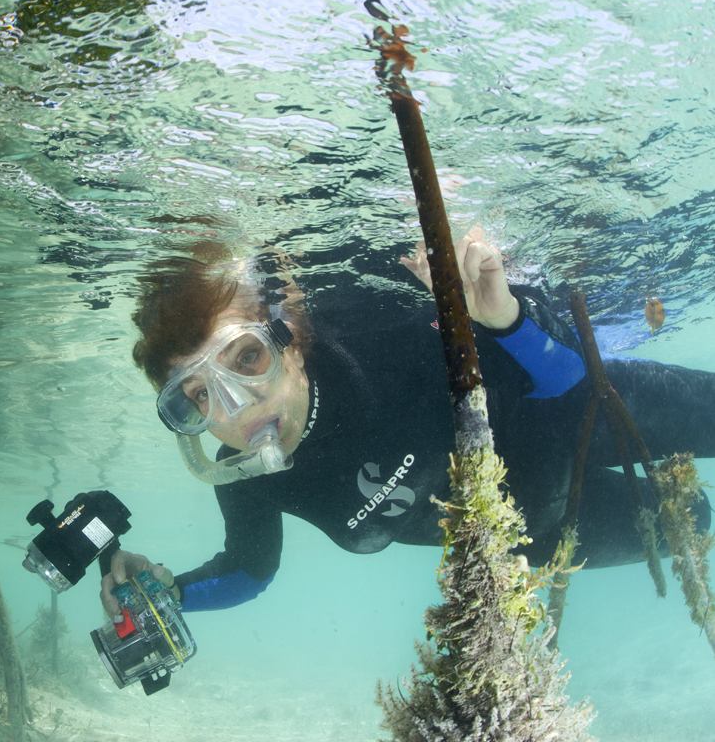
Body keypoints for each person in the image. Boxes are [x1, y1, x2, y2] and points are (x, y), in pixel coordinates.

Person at [100, 229, 715, 615]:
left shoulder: (365, 325)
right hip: (544, 526)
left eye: (247, 358)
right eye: (198, 397)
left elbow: (569, 383)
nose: (238, 411)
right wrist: (164, 595)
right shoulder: (248, 476)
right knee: (698, 522)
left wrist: (504, 321)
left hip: (576, 412)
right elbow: (248, 570)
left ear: (289, 340)